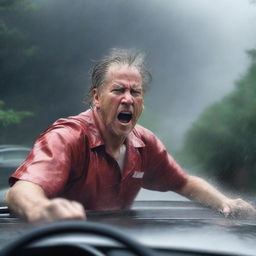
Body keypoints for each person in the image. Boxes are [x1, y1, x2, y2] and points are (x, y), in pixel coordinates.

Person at [5, 48, 256, 223]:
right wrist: (41, 208)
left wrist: (225, 203)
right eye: (118, 90)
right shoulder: (67, 138)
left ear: (142, 102)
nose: (128, 99)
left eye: (135, 92)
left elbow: (184, 183)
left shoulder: (143, 143)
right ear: (96, 97)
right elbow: (20, 191)